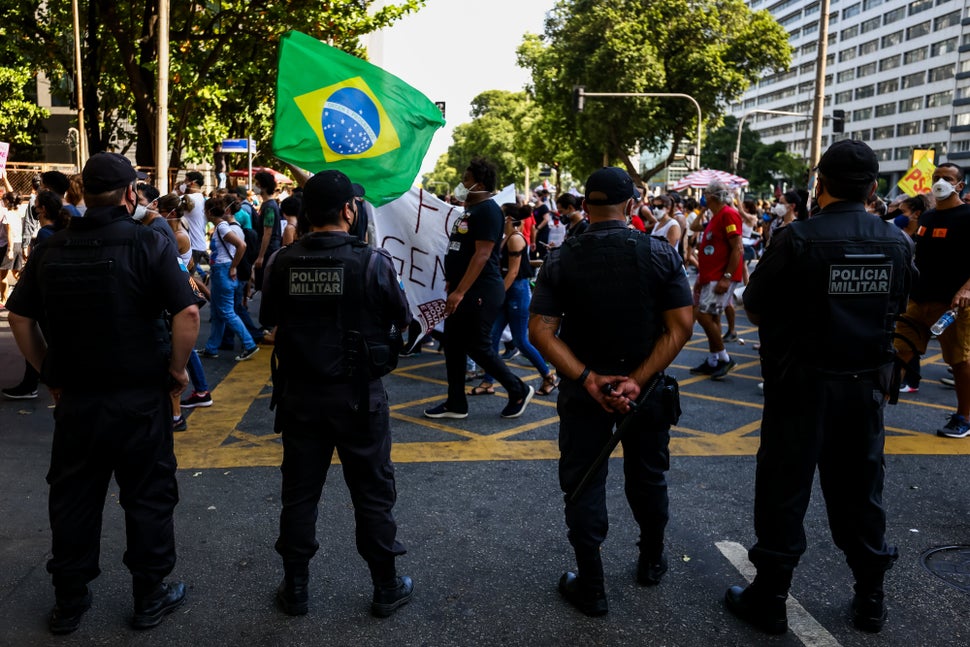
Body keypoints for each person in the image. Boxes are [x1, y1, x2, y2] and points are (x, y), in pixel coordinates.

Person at [5, 152, 201, 633]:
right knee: (148, 496)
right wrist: (177, 371)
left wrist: (48, 372)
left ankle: (69, 602)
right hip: (139, 398)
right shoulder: (145, 241)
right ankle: (149, 597)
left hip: (79, 400)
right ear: (131, 193)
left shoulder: (52, 247)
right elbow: (188, 314)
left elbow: (20, 318)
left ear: (84, 195)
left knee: (74, 498)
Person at [726, 140, 915, 635]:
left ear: (820, 184)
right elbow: (903, 300)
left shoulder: (799, 238)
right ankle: (871, 598)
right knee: (861, 492)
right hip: (865, 389)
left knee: (784, 490)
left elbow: (757, 304)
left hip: (801, 386)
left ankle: (769, 598)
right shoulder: (897, 241)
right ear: (874, 187)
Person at [529, 167, 693, 617]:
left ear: (585, 206)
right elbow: (681, 327)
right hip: (646, 391)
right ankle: (651, 560)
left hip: (587, 393)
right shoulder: (660, 253)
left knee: (583, 484)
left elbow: (541, 331)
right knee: (649, 477)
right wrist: (637, 380)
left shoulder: (563, 258)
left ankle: (593, 585)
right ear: (631, 206)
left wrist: (587, 379)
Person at [260, 170, 413, 618]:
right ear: (350, 210)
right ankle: (386, 586)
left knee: (299, 493)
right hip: (359, 399)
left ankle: (297, 588)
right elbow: (401, 318)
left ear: (306, 213)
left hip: (300, 398)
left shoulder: (283, 261)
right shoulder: (373, 261)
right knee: (372, 492)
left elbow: (269, 319)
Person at [424, 157, 535, 420]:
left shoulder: (487, 211)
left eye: (466, 179)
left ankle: (518, 389)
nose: (462, 184)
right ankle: (456, 403)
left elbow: (482, 255)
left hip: (479, 291)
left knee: (477, 346)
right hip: (466, 289)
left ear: (480, 183)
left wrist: (460, 292)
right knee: (453, 344)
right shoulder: (471, 210)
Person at [893, 163, 970, 436]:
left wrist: (965, 290)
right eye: (936, 177)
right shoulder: (927, 217)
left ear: (959, 185)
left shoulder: (968, 216)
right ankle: (875, 408)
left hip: (952, 305)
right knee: (900, 350)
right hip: (918, 300)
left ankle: (964, 416)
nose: (939, 181)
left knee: (959, 361)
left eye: (947, 178)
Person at [472, 205, 558, 398]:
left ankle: (548, 376)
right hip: (508, 291)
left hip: (517, 292)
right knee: (492, 337)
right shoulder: (506, 239)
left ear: (509, 218)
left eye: (502, 215)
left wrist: (497, 294)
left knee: (520, 340)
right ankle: (488, 382)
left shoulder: (516, 239)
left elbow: (513, 272)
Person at [689, 181, 744, 380]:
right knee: (712, 318)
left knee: (703, 316)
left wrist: (726, 277)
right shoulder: (715, 216)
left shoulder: (728, 214)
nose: (703, 197)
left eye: (705, 194)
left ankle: (724, 358)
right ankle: (714, 360)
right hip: (710, 276)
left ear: (712, 195)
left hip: (719, 277)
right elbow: (694, 226)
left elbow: (737, 248)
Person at [199, 196, 259, 361]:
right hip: (221, 271)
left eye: (205, 210)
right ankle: (212, 348)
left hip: (223, 271)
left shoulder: (222, 228)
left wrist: (233, 266)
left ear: (210, 212)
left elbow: (242, 245)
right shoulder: (223, 226)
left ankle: (249, 344)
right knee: (218, 312)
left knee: (226, 311)